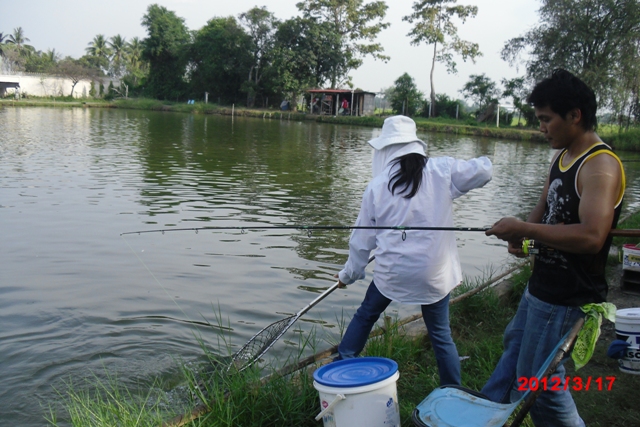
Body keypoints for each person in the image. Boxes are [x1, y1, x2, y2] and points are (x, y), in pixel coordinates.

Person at [481, 69, 625, 426]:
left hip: (566, 297)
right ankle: (484, 413)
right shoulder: (563, 157)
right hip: (541, 287)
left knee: (539, 387)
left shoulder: (599, 166)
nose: (541, 127)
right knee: (514, 351)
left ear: (574, 116)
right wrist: (524, 239)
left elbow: (592, 236)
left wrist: (525, 229)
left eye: (546, 119)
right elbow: (544, 212)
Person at [334, 115, 492, 386]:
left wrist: (347, 276)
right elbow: (484, 171)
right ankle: (452, 390)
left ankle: (342, 361)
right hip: (434, 274)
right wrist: (471, 162)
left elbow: (361, 243)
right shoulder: (442, 171)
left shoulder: (376, 186)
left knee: (366, 314)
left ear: (385, 149)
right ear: (415, 145)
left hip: (392, 274)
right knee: (441, 335)